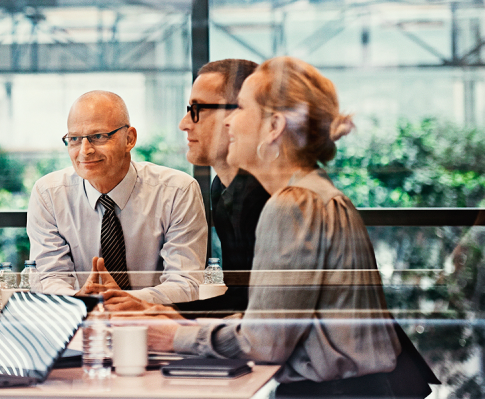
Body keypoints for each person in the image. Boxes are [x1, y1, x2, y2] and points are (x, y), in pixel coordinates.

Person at [132, 57, 403, 396]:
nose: (229, 123)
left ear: (273, 127)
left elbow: (264, 342)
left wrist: (173, 336)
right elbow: (269, 322)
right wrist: (181, 323)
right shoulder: (313, 193)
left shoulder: (291, 205)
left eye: (241, 108)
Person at [27, 90, 208, 305]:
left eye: (99, 137)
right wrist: (78, 298)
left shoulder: (177, 191)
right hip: (81, 323)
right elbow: (48, 278)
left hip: (155, 322)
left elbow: (186, 283)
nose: (85, 151)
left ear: (129, 139)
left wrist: (127, 300)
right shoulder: (49, 194)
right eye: (74, 139)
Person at [174, 59, 270, 315]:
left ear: (239, 114)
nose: (184, 123)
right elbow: (240, 298)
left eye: (197, 109)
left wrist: (164, 314)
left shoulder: (270, 196)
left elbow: (258, 309)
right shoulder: (222, 188)